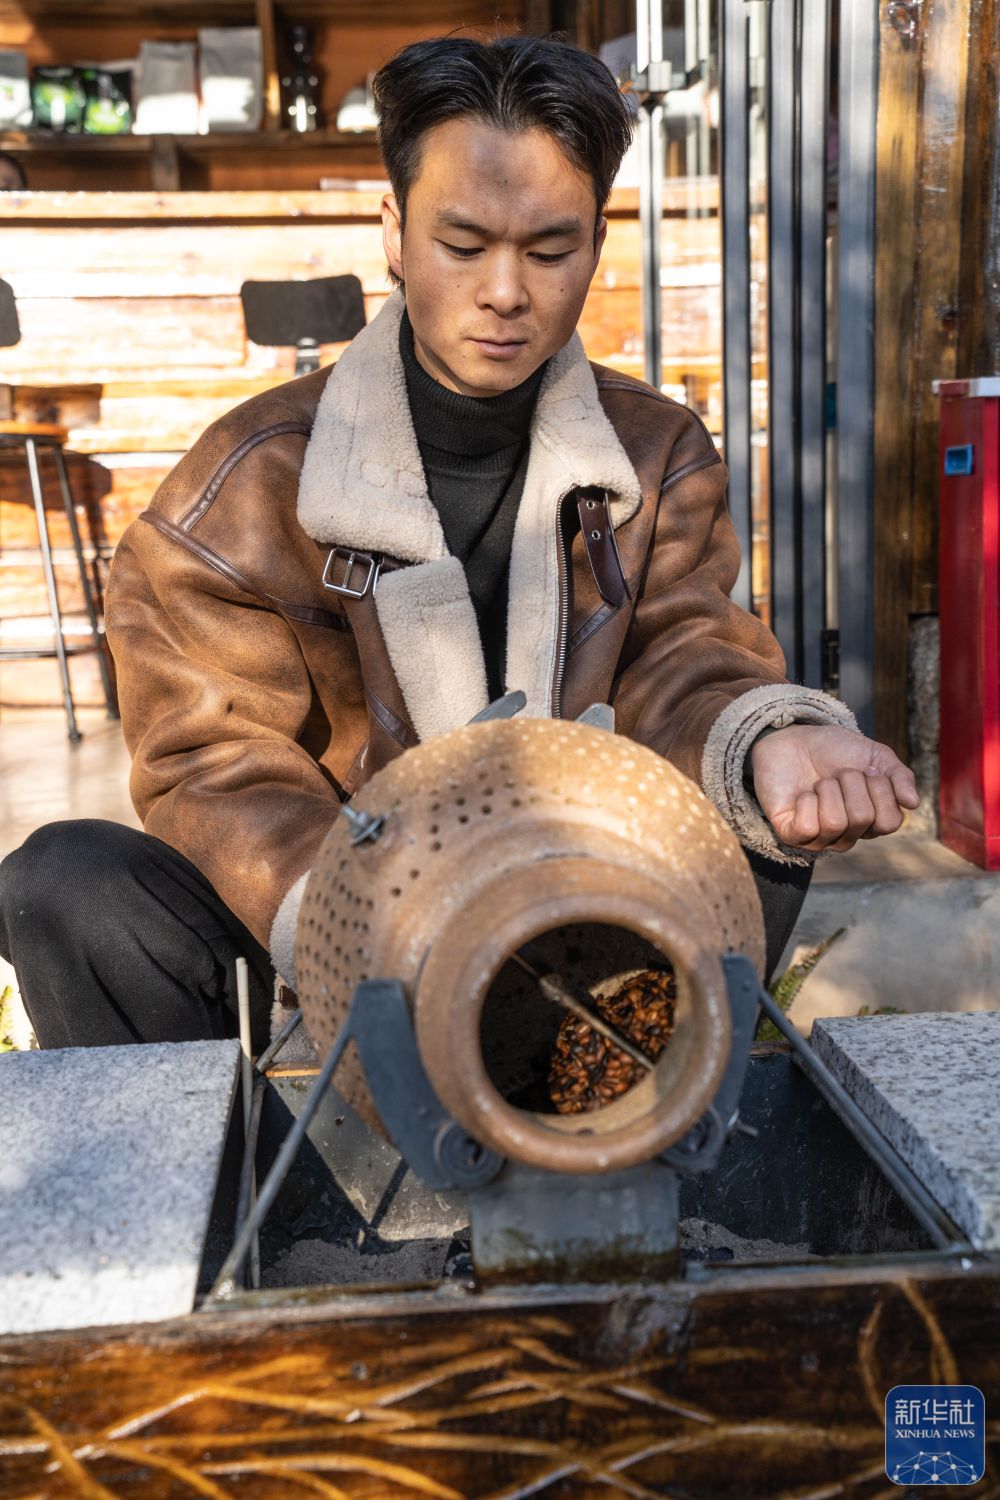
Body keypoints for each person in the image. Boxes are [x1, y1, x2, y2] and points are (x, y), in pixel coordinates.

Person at [0, 35, 918, 1050]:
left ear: (597, 242)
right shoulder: (247, 482)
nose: (506, 292)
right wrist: (373, 917)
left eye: (550, 251)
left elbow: (686, 662)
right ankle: (238, 1152)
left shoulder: (655, 454)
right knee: (65, 882)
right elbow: (214, 766)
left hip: (575, 916)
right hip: (339, 934)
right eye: (464, 244)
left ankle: (618, 1122)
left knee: (755, 812)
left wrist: (769, 741)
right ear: (394, 233)